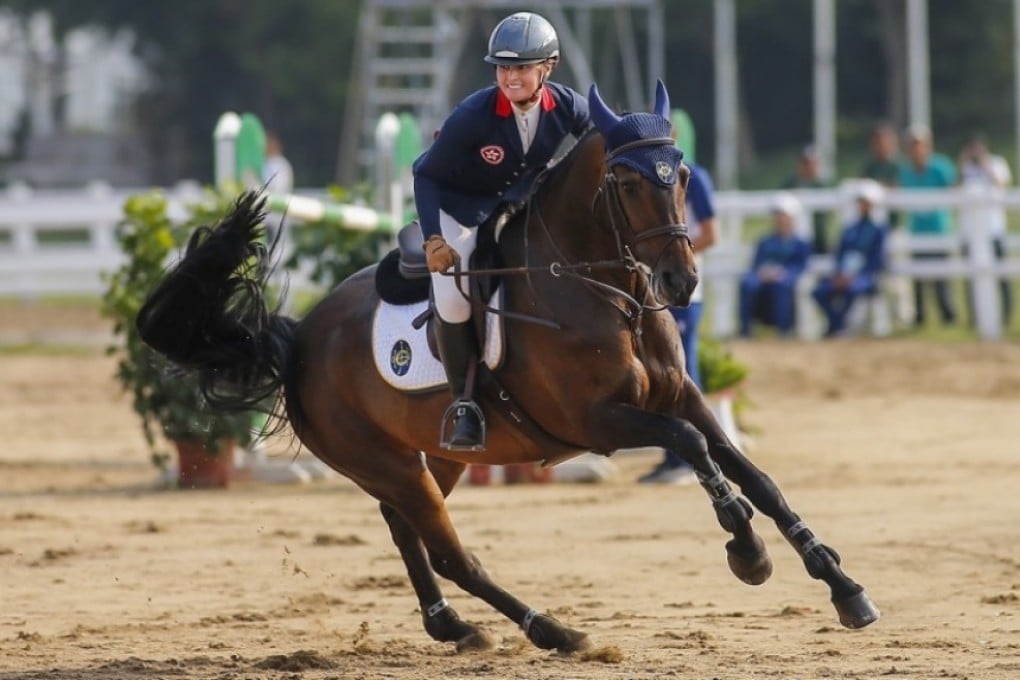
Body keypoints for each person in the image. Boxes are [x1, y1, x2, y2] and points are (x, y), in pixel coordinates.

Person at [412, 11, 591, 450]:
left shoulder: (568, 106)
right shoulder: (473, 115)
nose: (510, 77)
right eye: (502, 67)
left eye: (521, 68)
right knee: (454, 296)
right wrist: (434, 238)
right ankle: (464, 404)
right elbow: (425, 174)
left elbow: (597, 142)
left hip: (516, 206)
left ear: (548, 67)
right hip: (461, 211)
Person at [638, 161, 718, 485]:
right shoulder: (642, 172)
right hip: (655, 290)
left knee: (682, 374)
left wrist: (668, 257)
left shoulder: (693, 176)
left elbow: (709, 234)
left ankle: (690, 458)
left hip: (682, 290)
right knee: (663, 374)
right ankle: (674, 454)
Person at [811, 180, 889, 338]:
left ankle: (837, 326)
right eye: (861, 202)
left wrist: (854, 276)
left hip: (866, 276)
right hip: (844, 274)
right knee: (819, 291)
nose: (863, 206)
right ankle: (837, 324)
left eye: (866, 203)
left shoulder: (879, 230)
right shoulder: (849, 229)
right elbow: (839, 254)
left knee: (852, 290)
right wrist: (840, 274)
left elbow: (878, 259)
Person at [898, 124, 957, 327]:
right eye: (913, 145)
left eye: (920, 144)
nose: (916, 149)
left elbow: (954, 189)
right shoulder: (905, 171)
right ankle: (920, 316)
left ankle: (947, 315)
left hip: (939, 228)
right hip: (917, 229)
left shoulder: (940, 167)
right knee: (918, 277)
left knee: (942, 276)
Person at [957, 133, 1013, 328]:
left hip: (994, 229)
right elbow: (955, 190)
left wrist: (985, 164)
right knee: (970, 277)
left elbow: (1003, 185)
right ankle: (974, 317)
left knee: (1001, 275)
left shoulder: (997, 163)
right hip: (968, 230)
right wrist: (962, 165)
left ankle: (1006, 315)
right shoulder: (965, 167)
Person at [738, 193, 812, 338]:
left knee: (781, 286)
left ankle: (784, 331)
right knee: (748, 284)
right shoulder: (765, 241)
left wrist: (782, 273)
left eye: (782, 215)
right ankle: (745, 330)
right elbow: (756, 264)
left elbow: (801, 266)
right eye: (776, 215)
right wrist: (763, 273)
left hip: (786, 278)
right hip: (764, 277)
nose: (779, 219)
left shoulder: (800, 243)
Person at [782, 144, 831, 254]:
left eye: (812, 163)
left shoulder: (821, 186)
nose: (809, 167)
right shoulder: (790, 183)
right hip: (791, 236)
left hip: (818, 237)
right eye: (806, 163)